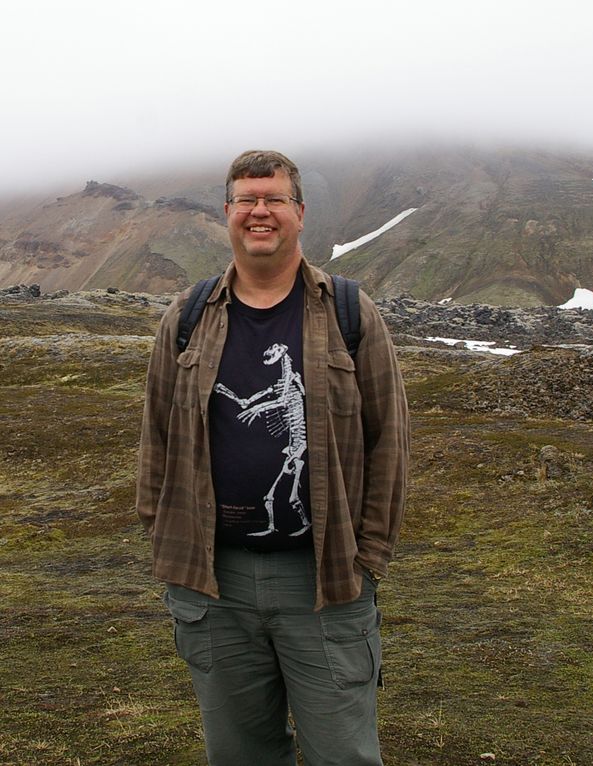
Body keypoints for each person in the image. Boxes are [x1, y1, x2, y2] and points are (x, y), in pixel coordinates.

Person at [136, 149, 409, 766]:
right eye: (247, 200)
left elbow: (389, 439)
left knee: (343, 754)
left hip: (325, 580)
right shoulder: (187, 317)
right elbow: (156, 434)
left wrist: (368, 556)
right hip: (214, 582)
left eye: (274, 199)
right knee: (239, 754)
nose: (260, 211)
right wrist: (161, 531)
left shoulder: (349, 313)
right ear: (228, 212)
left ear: (299, 213)